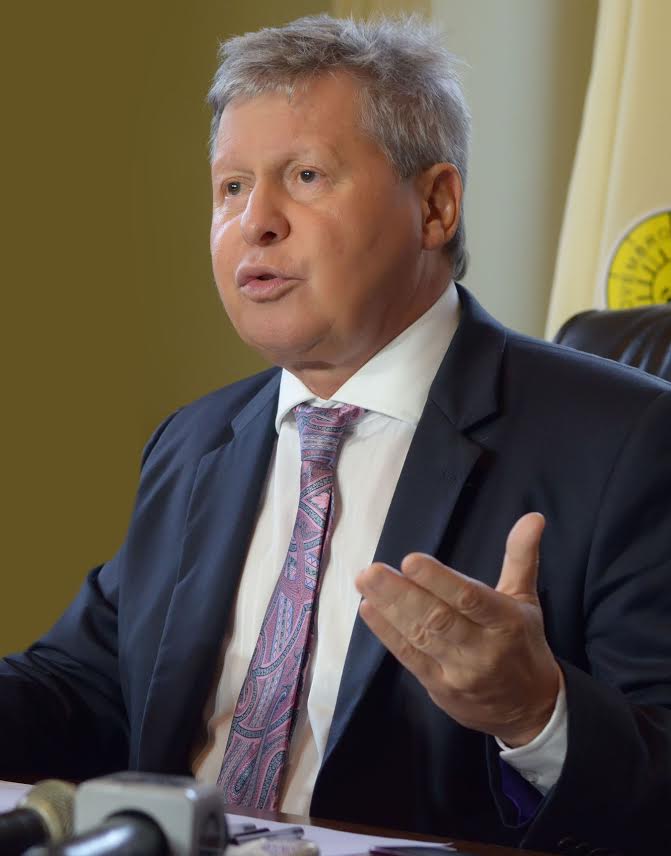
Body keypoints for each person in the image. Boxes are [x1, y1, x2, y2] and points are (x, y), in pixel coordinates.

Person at [1, 14, 670, 855]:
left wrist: (535, 713)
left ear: (435, 206)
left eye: (306, 176)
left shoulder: (627, 441)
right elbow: (86, 687)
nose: (254, 222)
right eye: (231, 187)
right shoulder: (196, 442)